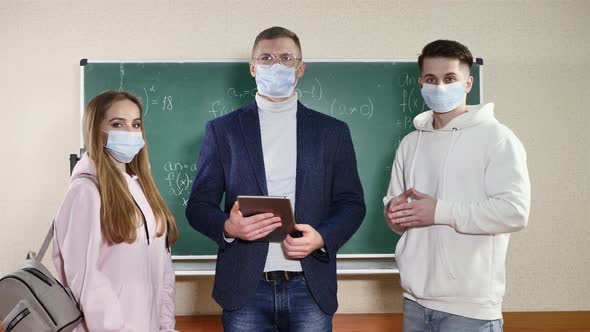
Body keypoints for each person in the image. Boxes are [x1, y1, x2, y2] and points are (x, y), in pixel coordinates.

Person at [186, 26, 366, 331]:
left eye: (286, 58)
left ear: (300, 68)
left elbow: (352, 205)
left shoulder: (332, 132)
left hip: (310, 286)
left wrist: (322, 237)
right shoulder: (223, 131)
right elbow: (198, 206)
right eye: (266, 58)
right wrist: (228, 227)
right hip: (245, 288)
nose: (276, 65)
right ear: (253, 68)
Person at [383, 40, 530, 331]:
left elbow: (515, 211)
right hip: (415, 302)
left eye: (450, 78)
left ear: (468, 83)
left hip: (470, 310)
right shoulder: (410, 143)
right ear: (420, 83)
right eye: (431, 79)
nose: (439, 86)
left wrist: (440, 211)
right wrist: (393, 213)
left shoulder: (497, 138)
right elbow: (399, 217)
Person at [52, 90, 179, 331]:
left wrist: (166, 327)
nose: (130, 133)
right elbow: (87, 280)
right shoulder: (85, 192)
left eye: (136, 124)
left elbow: (163, 272)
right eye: (117, 124)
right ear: (96, 130)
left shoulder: (142, 190)